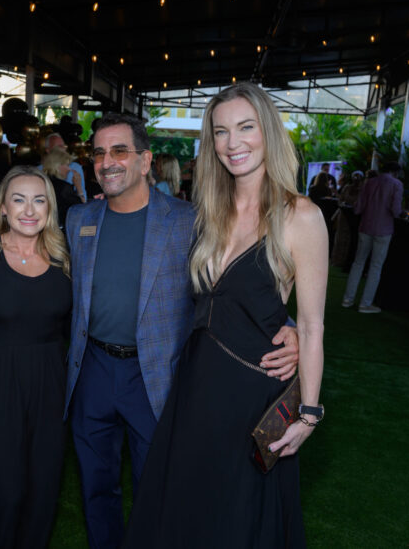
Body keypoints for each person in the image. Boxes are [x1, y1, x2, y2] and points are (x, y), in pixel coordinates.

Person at [64, 112, 300, 549]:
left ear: (145, 160)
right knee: (97, 488)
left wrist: (289, 327)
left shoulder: (189, 220)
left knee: (159, 490)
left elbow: (232, 285)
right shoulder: (79, 219)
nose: (107, 162)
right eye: (99, 153)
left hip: (157, 377)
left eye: (120, 151)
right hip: (91, 373)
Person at [123, 81, 327, 549]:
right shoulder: (204, 212)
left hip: (252, 396)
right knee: (183, 514)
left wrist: (309, 414)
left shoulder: (301, 216)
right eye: (220, 132)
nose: (233, 143)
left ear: (268, 132)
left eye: (245, 127)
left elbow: (313, 325)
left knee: (236, 521)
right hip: (194, 390)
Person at [0, 166, 71, 548]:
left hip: (50, 385)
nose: (30, 210)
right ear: (4, 207)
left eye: (39, 200)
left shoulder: (64, 256)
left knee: (41, 492)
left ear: (49, 208)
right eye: (19, 199)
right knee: (3, 492)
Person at [341, 161, 404, 313]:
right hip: (384, 229)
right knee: (375, 267)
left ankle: (347, 299)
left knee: (358, 263)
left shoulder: (369, 182)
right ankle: (365, 304)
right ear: (395, 172)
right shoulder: (397, 184)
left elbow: (358, 208)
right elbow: (396, 211)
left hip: (365, 226)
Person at [43, 145, 84, 227]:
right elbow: (81, 212)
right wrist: (79, 188)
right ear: (57, 165)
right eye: (67, 165)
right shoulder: (63, 187)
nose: (69, 169)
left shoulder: (41, 182)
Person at [42, 132, 87, 201]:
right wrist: (79, 190)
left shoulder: (76, 167)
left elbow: (84, 198)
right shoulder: (38, 171)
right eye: (59, 147)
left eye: (64, 146)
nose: (63, 149)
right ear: (48, 150)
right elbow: (81, 207)